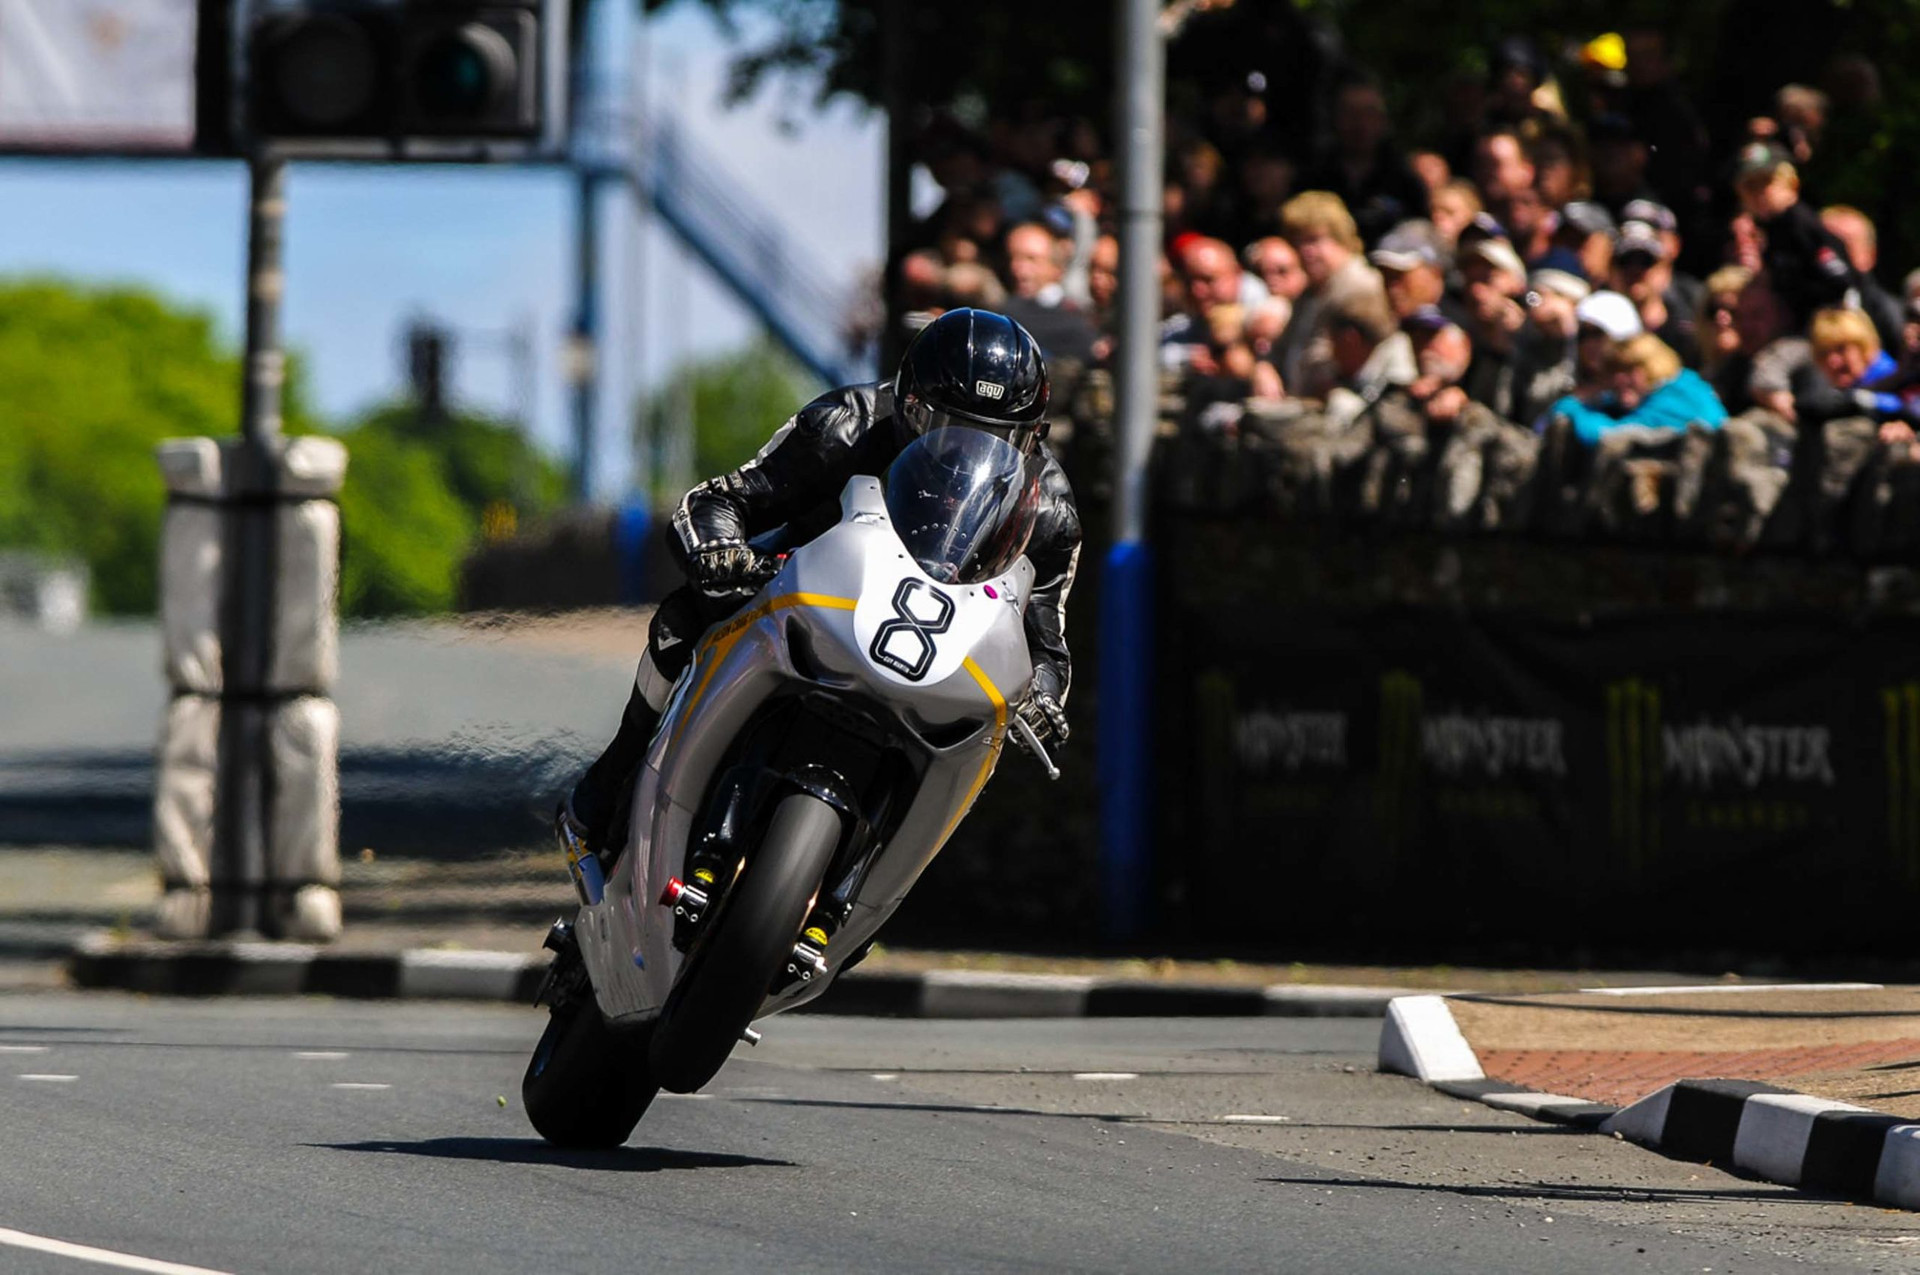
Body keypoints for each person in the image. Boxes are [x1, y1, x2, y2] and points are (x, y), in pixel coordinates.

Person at [556, 309, 1083, 864]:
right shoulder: (847, 423)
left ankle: (884, 880)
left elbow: (1046, 640)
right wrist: (720, 552)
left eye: (997, 439)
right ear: (907, 403)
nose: (966, 456)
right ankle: (618, 769)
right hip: (807, 590)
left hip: (938, 641)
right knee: (686, 617)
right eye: (946, 428)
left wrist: (1043, 694)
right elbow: (720, 500)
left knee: (989, 731)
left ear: (1032, 439)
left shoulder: (1050, 511)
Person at [1546, 332, 1728, 444]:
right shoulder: (1679, 386)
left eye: (1629, 369)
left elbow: (1611, 437)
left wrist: (1571, 406)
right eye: (1613, 371)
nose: (1618, 379)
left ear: (1653, 366)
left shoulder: (1678, 398)